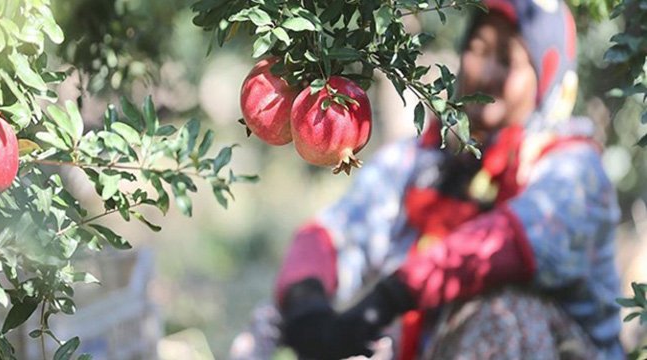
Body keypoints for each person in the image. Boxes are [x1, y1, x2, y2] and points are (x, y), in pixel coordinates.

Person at [230, 0, 624, 358]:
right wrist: (306, 306)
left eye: (507, 61)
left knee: (506, 316)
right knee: (275, 319)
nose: (485, 72)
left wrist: (389, 297)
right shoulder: (423, 161)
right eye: (478, 50)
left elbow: (500, 245)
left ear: (547, 79)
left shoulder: (574, 172)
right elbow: (335, 231)